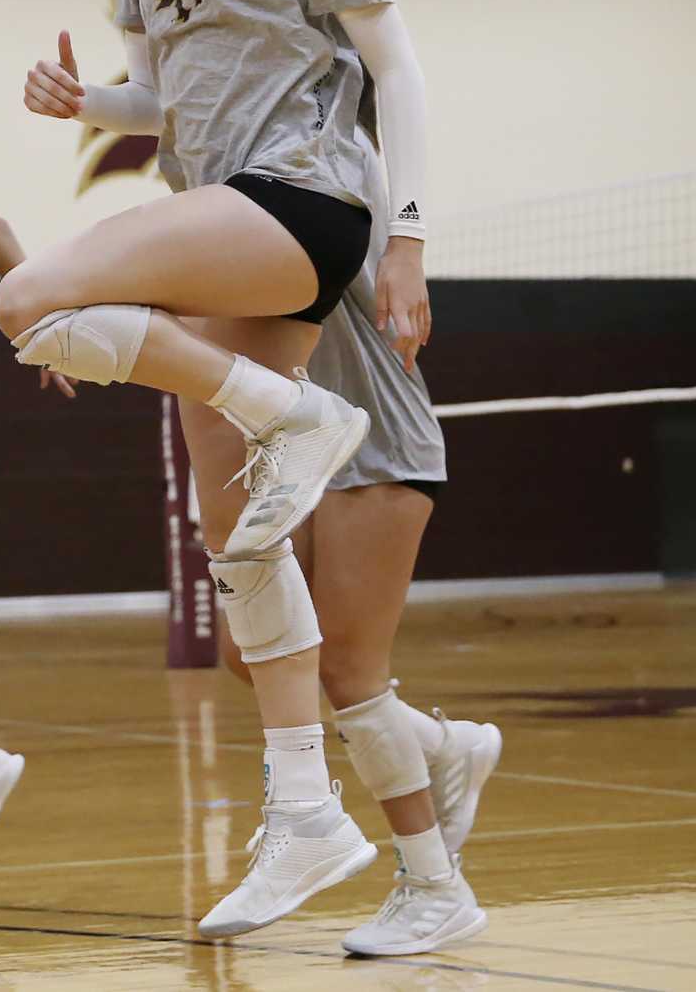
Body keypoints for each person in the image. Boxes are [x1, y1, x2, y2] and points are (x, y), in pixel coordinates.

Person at [0, 0, 451, 935]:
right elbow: (169, 96)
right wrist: (90, 101)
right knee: (240, 532)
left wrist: (405, 238)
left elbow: (396, 72)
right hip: (215, 211)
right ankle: (305, 814)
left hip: (307, 198)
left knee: (29, 299)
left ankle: (307, 419)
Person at [212, 150, 498, 956]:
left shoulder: (322, 174)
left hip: (377, 439)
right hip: (297, 443)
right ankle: (448, 746)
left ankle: (437, 887)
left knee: (346, 673)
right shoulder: (227, 166)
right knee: (255, 655)